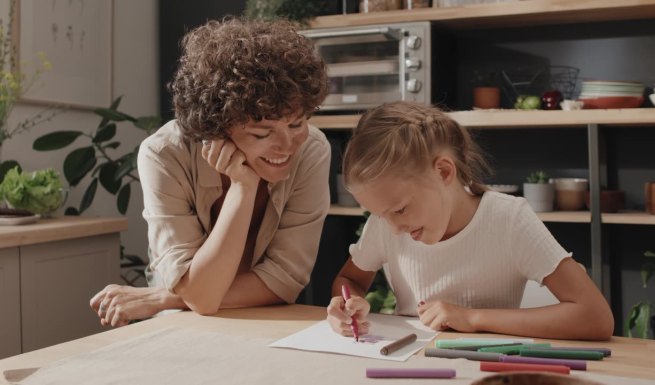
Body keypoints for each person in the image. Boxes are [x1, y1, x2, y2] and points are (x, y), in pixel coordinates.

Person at [90, 17, 330, 327]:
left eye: (296, 124)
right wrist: (243, 187)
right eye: (261, 133)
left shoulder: (311, 150)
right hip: (183, 323)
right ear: (216, 129)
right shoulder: (164, 155)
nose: (286, 145)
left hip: (267, 317)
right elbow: (202, 299)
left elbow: (284, 281)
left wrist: (165, 296)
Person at [326, 101, 614, 341]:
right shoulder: (388, 223)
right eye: (380, 214)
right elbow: (349, 279)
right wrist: (347, 303)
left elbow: (595, 317)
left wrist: (472, 318)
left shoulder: (508, 219)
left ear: (443, 172)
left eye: (400, 210)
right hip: (411, 363)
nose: (393, 228)